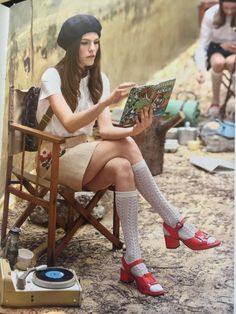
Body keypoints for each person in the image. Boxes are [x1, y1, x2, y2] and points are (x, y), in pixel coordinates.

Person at [36, 14, 221, 297]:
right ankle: (175, 222)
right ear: (72, 47)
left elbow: (107, 131)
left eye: (96, 43)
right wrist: (108, 103)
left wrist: (135, 128)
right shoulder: (52, 76)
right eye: (85, 43)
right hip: (54, 157)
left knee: (123, 166)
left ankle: (133, 260)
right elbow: (71, 123)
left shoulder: (100, 79)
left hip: (85, 156)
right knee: (126, 149)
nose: (92, 49)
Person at [195, 0, 236, 118]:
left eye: (233, 9)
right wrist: (200, 69)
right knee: (218, 63)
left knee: (232, 63)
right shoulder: (210, 14)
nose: (229, 12)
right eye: (226, 8)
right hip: (216, 48)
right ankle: (215, 102)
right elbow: (202, 45)